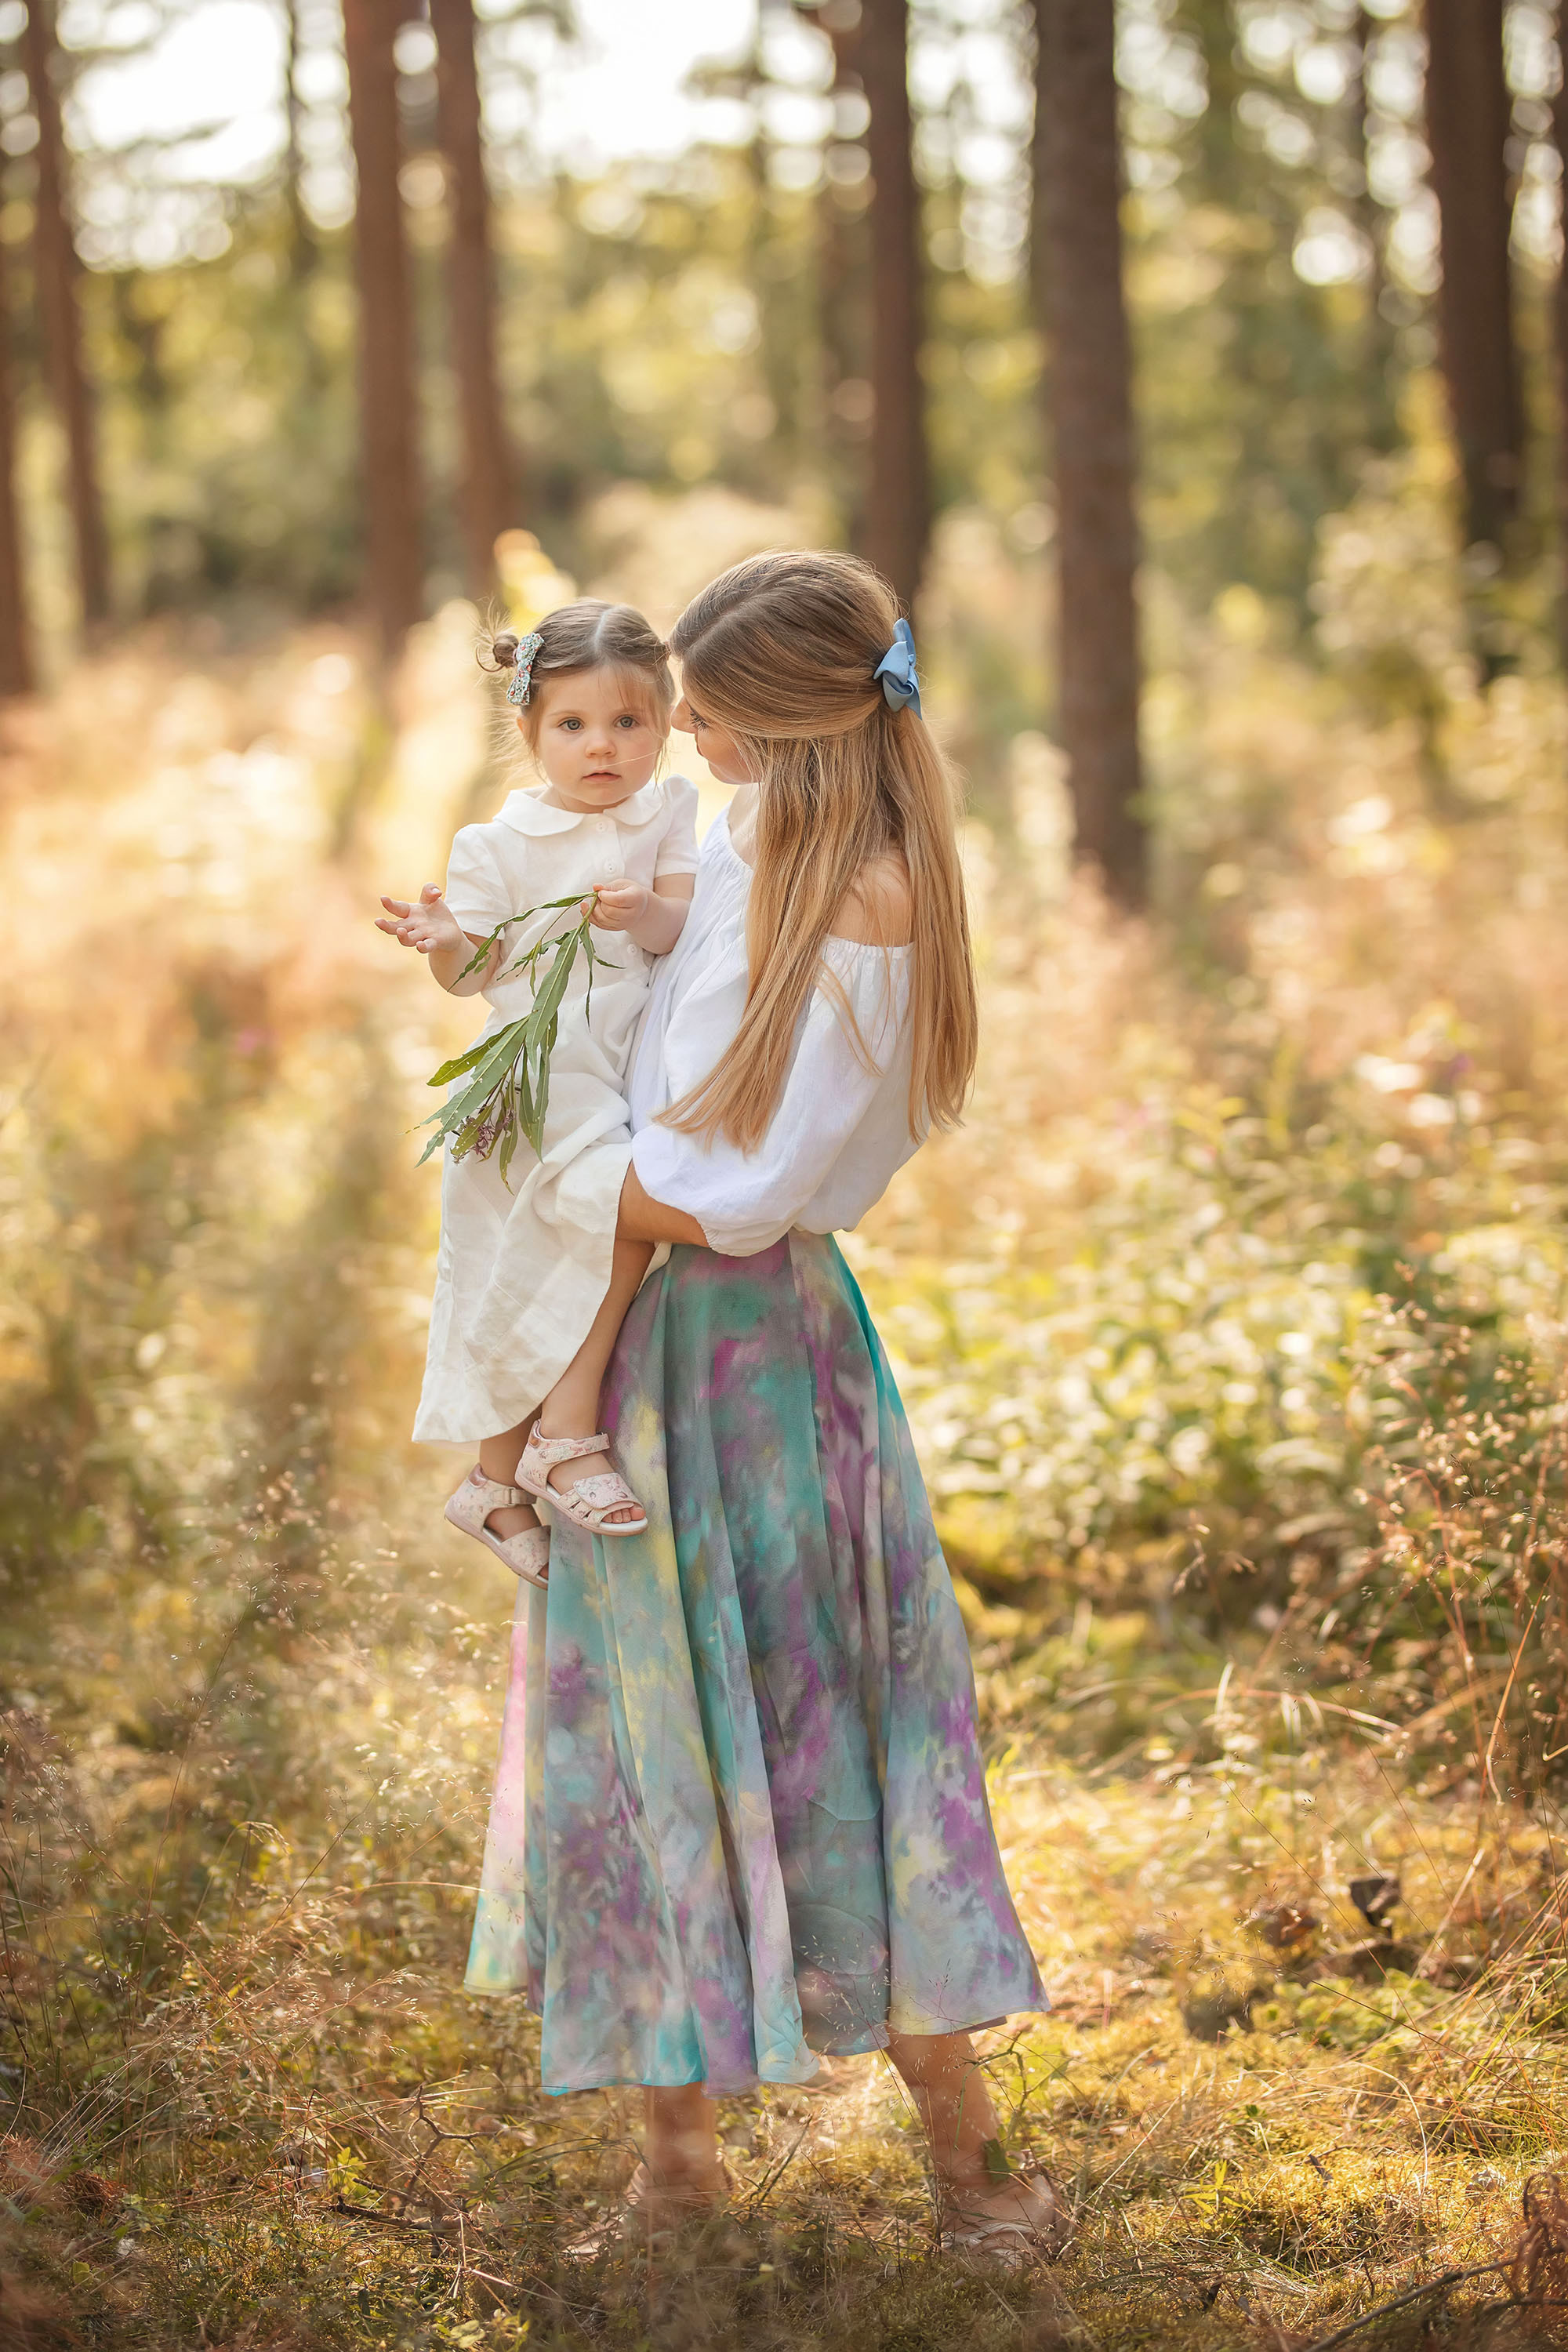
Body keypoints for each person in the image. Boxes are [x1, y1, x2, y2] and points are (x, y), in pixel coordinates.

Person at [464, 552, 1064, 2263]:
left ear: (804, 725)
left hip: (757, 1355)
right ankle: (674, 2166)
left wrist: (543, 1173)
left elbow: (740, 1184)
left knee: (827, 1727)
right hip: (656, 1335)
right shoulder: (752, 842)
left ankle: (969, 2165)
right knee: (642, 1707)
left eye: (714, 721)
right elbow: (665, 1065)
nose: (689, 745)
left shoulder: (865, 896)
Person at [376, 600, 699, 1581]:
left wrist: (646, 910)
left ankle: (493, 1485)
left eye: (626, 723)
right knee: (589, 1234)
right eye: (572, 725)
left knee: (544, 1263)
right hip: (539, 1078)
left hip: (622, 1071)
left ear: (663, 722)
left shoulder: (667, 814)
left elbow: (683, 928)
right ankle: (563, 1438)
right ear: (528, 731)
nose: (601, 748)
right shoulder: (496, 846)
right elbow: (474, 978)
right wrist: (448, 945)